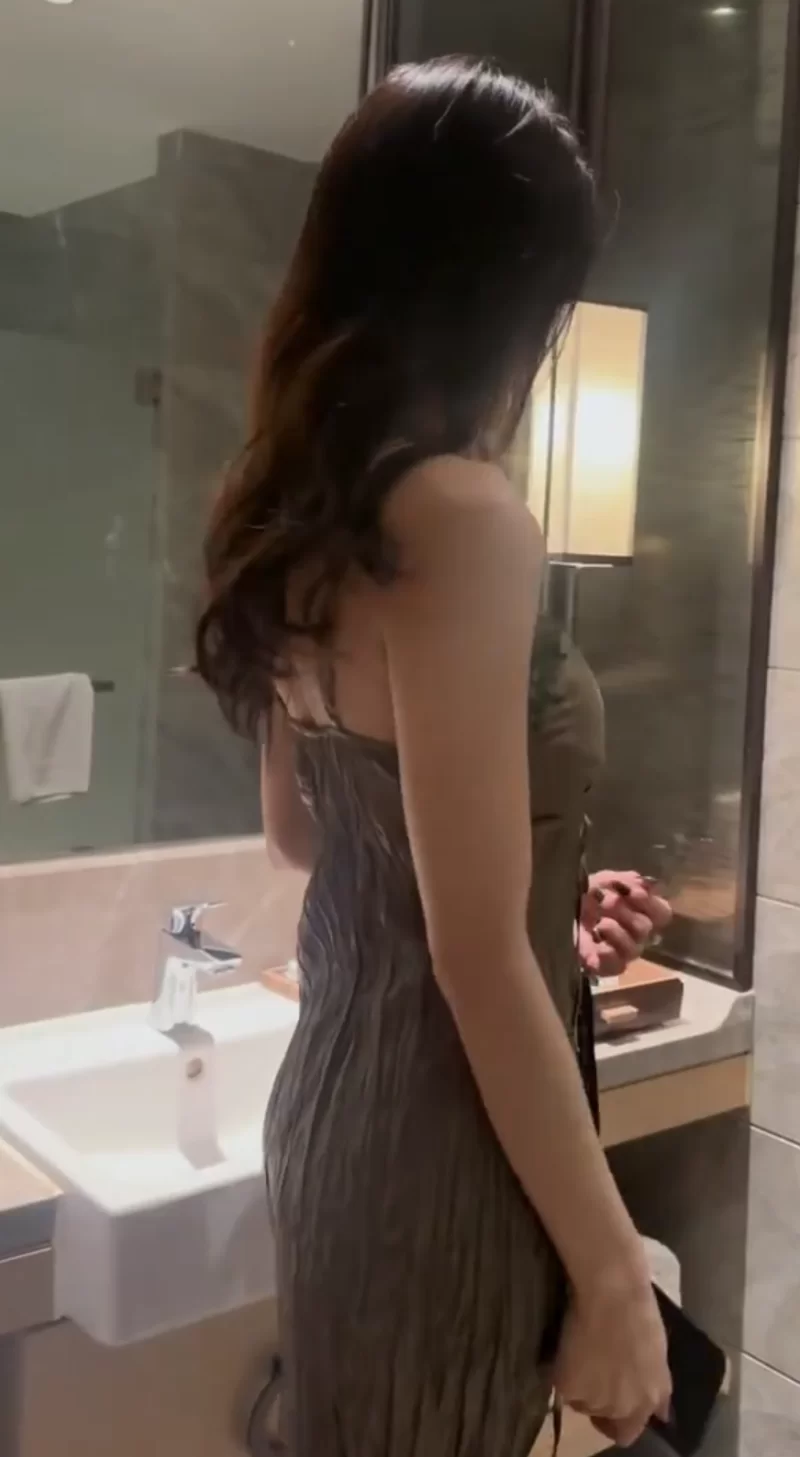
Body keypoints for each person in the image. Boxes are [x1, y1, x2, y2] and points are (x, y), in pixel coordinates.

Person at [197, 57, 673, 1457]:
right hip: (443, 1138)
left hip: (338, 1115)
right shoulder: (464, 520)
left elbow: (308, 835)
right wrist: (613, 1273)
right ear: (496, 297)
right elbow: (471, 955)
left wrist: (534, 893)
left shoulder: (297, 508)